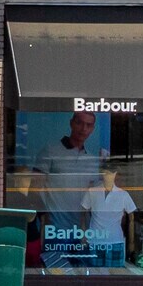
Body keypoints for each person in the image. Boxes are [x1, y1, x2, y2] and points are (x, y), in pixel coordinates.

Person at [31, 110, 103, 267]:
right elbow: (34, 189)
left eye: (88, 125)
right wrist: (45, 220)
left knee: (80, 278)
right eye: (80, 123)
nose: (83, 128)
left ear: (93, 129)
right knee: (56, 275)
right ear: (71, 123)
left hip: (82, 233)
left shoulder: (92, 160)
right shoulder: (50, 151)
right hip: (56, 231)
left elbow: (93, 197)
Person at [80, 162, 139, 268]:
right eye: (105, 173)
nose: (107, 175)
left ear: (115, 174)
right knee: (95, 277)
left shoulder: (123, 195)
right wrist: (83, 235)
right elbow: (82, 214)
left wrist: (131, 243)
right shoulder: (92, 192)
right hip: (95, 241)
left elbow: (131, 218)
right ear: (101, 174)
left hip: (115, 241)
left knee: (115, 277)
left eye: (110, 173)